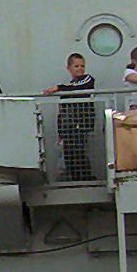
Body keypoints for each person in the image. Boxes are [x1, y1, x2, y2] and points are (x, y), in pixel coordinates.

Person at [43, 53, 97, 182]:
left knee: (79, 150)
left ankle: (85, 178)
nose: (80, 69)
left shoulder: (87, 79)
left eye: (82, 66)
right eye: (76, 66)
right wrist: (61, 131)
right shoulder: (69, 86)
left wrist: (58, 88)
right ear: (69, 68)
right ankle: (73, 177)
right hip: (69, 126)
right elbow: (62, 109)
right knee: (69, 152)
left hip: (81, 123)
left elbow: (79, 87)